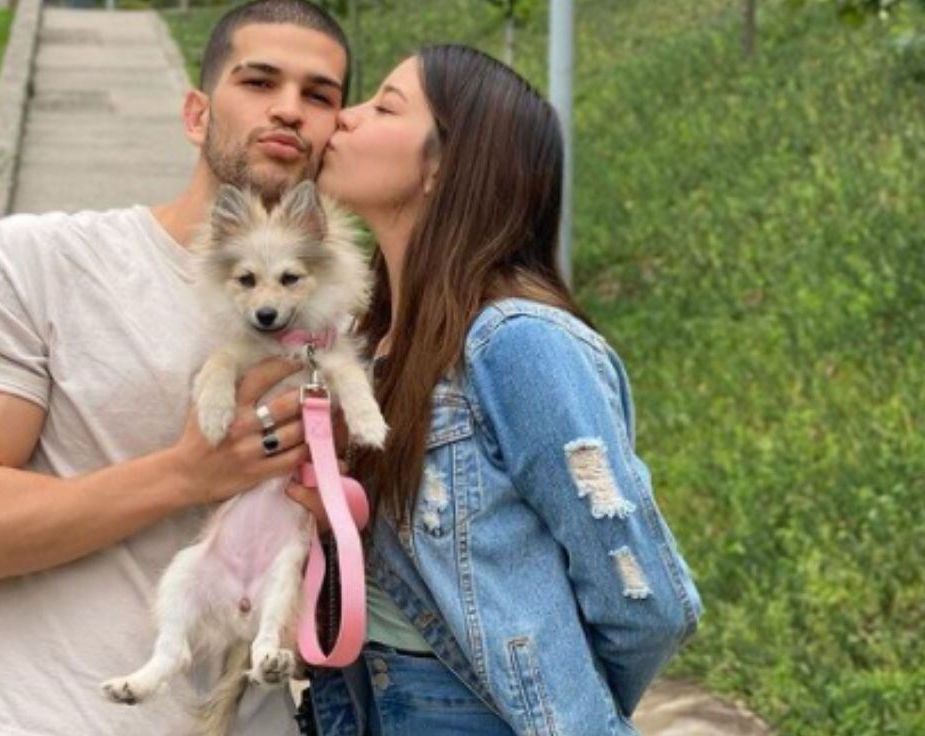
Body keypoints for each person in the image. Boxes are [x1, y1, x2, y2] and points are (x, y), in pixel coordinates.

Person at [0, 0, 351, 736]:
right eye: (260, 82)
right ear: (197, 114)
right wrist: (186, 474)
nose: (291, 110)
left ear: (339, 132)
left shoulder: (342, 325)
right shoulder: (36, 263)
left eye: (320, 96)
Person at [299, 44, 704, 735]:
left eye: (384, 105)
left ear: (444, 165)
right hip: (362, 697)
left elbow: (646, 599)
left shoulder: (517, 343)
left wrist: (558, 693)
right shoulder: (370, 342)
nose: (345, 117)